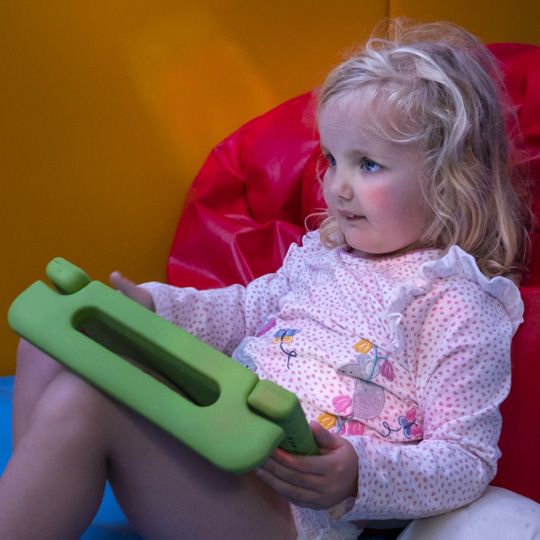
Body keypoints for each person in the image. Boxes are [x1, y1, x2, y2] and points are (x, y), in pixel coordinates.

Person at [1, 19, 539, 540]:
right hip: (216, 437)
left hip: (287, 514)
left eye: (368, 165)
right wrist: (152, 307)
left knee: (83, 400)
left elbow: (467, 460)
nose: (337, 186)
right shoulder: (325, 253)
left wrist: (358, 475)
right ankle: (43, 502)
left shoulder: (458, 303)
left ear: (451, 180)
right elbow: (242, 310)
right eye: (331, 159)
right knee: (53, 339)